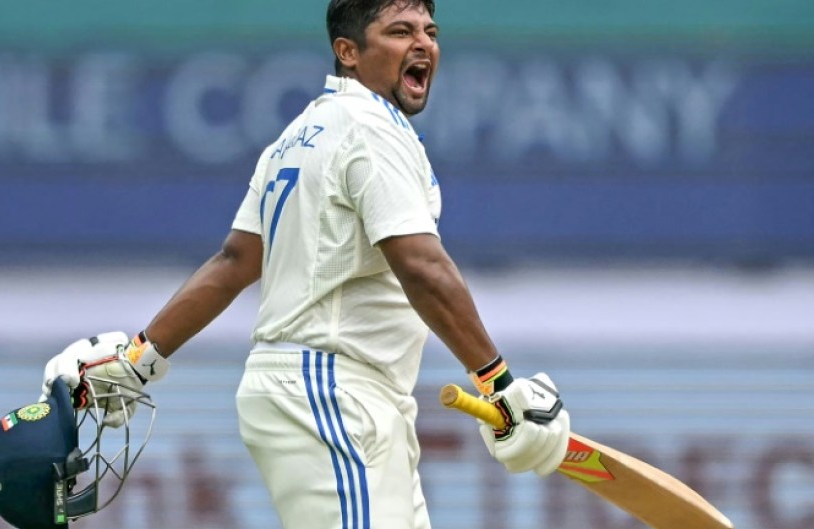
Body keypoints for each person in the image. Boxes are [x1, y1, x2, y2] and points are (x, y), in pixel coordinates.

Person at [40, 1, 571, 528]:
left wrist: (138, 359)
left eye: (430, 32)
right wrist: (498, 384)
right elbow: (422, 267)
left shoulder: (295, 136)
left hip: (334, 393)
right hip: (331, 390)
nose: (423, 44)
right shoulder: (370, 126)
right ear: (348, 52)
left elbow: (234, 262)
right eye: (400, 31)